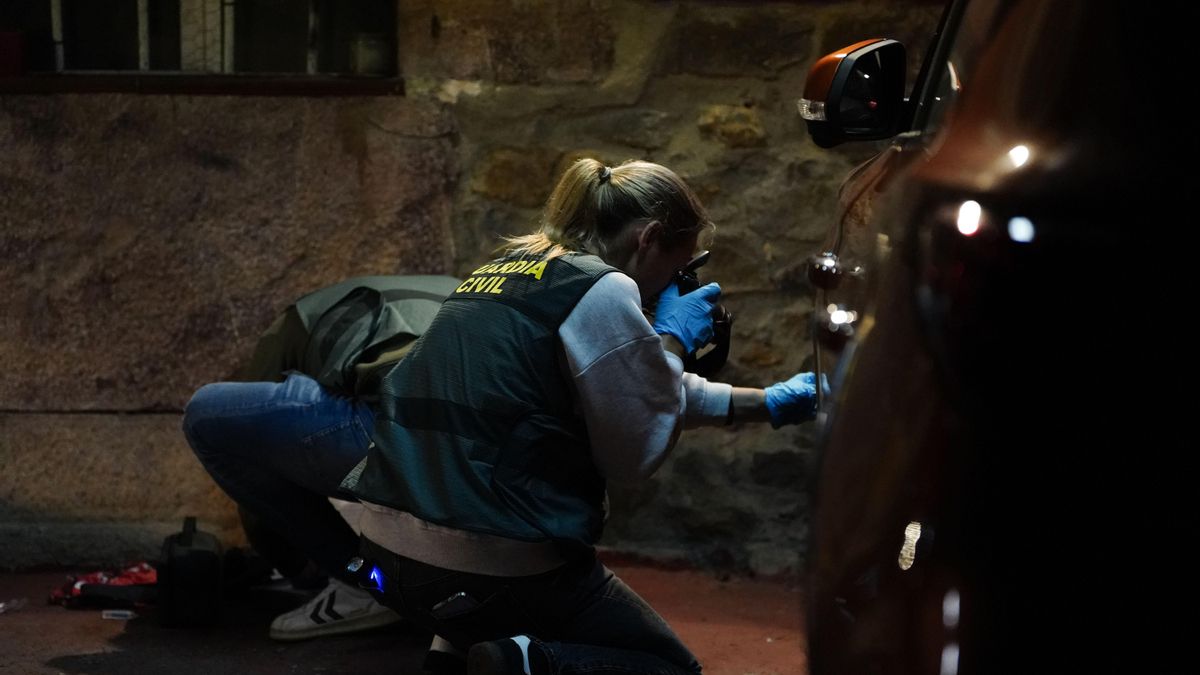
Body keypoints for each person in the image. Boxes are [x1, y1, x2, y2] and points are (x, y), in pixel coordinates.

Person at [340, 158, 824, 675]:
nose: (671, 287)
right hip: (492, 564)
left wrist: (766, 402)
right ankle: (529, 663)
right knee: (666, 667)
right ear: (649, 238)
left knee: (472, 611)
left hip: (387, 550)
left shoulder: (509, 269)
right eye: (678, 268)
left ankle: (460, 659)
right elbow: (635, 451)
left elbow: (627, 386)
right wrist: (673, 340)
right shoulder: (603, 288)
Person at [181, 274, 465, 665]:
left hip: (397, 430)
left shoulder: (291, 324)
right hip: (486, 444)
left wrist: (297, 567)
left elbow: (252, 453)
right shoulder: (459, 286)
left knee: (207, 417)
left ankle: (361, 584)